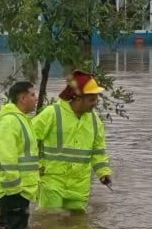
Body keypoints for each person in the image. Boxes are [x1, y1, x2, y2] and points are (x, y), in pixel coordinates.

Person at [32, 70, 112, 212]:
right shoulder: (52, 113)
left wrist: (103, 173)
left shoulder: (95, 121)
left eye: (96, 99)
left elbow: (98, 151)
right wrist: (35, 165)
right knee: (50, 222)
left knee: (78, 225)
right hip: (52, 181)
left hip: (80, 185)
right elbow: (29, 139)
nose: (95, 103)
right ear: (77, 98)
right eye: (91, 99)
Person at [0, 81, 40, 229]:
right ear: (22, 99)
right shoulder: (10, 121)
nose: (36, 98)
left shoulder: (21, 119)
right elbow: (7, 157)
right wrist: (14, 191)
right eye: (32, 95)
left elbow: (23, 154)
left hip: (18, 191)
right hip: (13, 191)